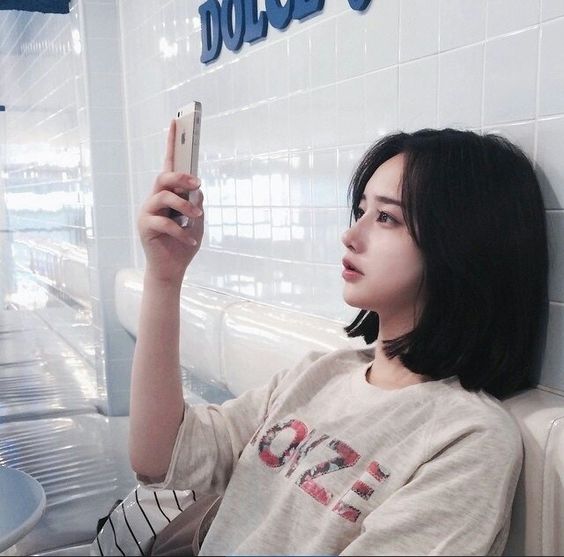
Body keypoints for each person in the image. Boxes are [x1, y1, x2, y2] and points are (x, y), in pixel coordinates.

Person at [129, 124, 549, 556]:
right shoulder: (321, 373)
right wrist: (164, 276)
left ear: (461, 246)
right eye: (362, 211)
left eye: (386, 218)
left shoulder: (468, 437)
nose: (350, 236)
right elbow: (161, 456)